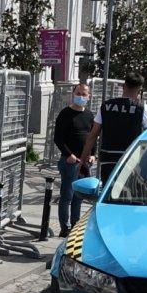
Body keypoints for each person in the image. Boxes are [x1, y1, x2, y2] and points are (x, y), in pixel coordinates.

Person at [79, 73, 147, 180]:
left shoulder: (106, 106)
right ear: (139, 90)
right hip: (130, 159)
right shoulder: (141, 108)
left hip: (108, 159)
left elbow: (93, 135)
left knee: (108, 188)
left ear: (123, 87)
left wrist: (82, 160)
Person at [51, 82, 95, 236]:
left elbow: (92, 137)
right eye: (78, 93)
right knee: (67, 195)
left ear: (89, 97)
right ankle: (65, 227)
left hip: (84, 162)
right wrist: (68, 154)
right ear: (73, 94)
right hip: (70, 162)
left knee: (79, 196)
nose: (81, 97)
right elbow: (58, 138)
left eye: (84, 94)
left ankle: (75, 226)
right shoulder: (65, 114)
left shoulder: (89, 115)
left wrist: (93, 154)